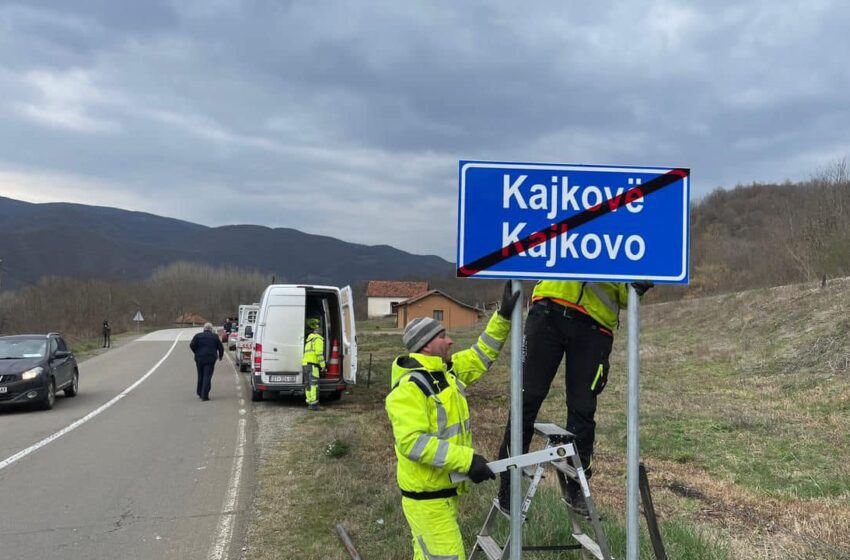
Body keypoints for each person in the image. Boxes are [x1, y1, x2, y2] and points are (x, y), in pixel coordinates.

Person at [385, 281, 519, 560]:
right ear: (425, 348)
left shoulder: (446, 373)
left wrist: (503, 317)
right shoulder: (408, 389)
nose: (450, 341)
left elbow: (482, 355)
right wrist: (467, 461)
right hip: (427, 502)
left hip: (442, 495)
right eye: (442, 336)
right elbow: (413, 443)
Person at [496, 280, 653, 516]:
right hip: (549, 309)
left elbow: (625, 297)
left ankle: (577, 487)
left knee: (583, 409)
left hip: (595, 326)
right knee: (525, 400)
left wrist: (638, 288)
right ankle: (508, 484)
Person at [189, 322, 224, 401]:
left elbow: (191, 345)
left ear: (203, 329)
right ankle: (204, 395)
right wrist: (220, 356)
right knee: (207, 376)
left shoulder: (198, 336)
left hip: (199, 358)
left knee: (200, 375)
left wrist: (196, 352)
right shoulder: (215, 337)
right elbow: (220, 347)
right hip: (210, 359)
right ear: (211, 329)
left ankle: (199, 392)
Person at [303, 316, 326, 411]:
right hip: (313, 365)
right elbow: (319, 354)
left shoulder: (309, 340)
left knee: (308, 385)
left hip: (305, 365)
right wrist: (323, 366)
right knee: (314, 385)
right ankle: (314, 405)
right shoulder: (318, 340)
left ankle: (309, 401)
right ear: (321, 333)